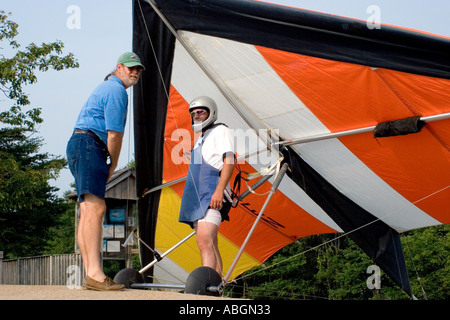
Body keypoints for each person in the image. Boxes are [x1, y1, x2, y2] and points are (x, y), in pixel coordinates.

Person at [66, 52, 145, 290]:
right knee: (95, 207)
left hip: (80, 143)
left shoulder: (106, 87)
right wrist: (113, 163)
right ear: (119, 68)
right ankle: (95, 275)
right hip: (91, 144)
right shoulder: (117, 90)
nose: (135, 72)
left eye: (138, 70)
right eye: (131, 68)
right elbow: (114, 134)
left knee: (87, 207)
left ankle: (91, 272)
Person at [178, 96, 235, 277]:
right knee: (209, 242)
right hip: (198, 198)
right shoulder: (200, 139)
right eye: (194, 113)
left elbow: (230, 161)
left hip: (212, 194)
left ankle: (207, 284)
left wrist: (219, 191)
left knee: (204, 240)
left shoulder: (221, 130)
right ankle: (216, 287)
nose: (197, 115)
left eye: (201, 112)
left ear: (211, 112)